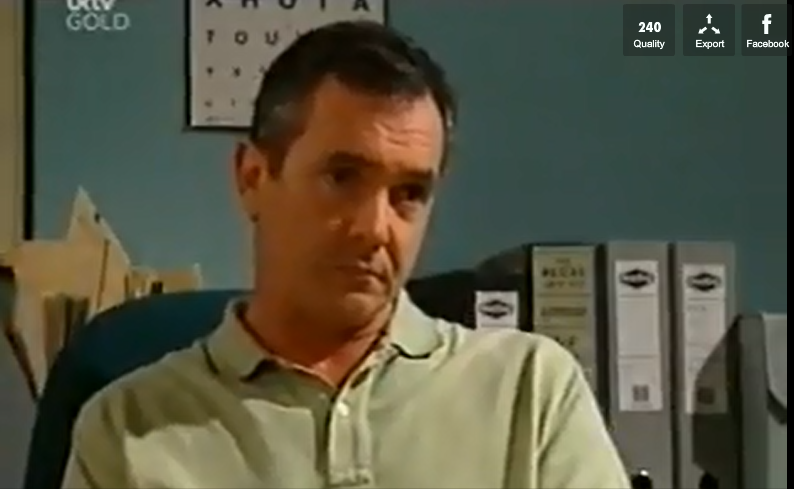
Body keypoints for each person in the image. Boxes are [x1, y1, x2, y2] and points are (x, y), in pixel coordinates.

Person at [61, 20, 630, 488]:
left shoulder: (529, 391)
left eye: (410, 193)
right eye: (342, 177)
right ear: (253, 177)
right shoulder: (127, 429)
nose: (375, 228)